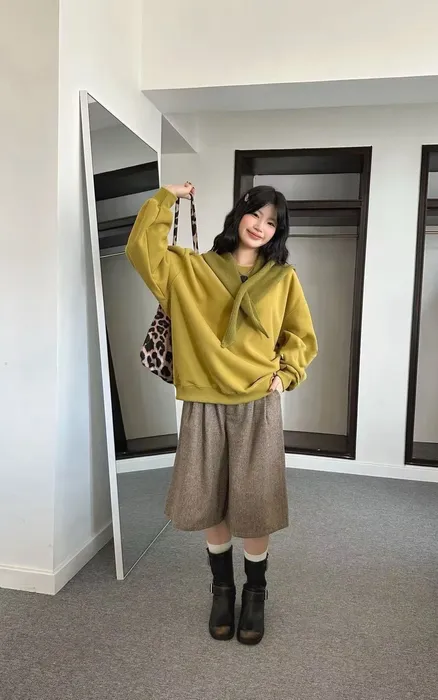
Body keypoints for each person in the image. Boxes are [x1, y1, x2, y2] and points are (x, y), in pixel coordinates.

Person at [126, 181, 317, 645]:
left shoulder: (282, 278)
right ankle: (222, 588)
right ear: (239, 214)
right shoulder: (191, 269)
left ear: (277, 231)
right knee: (208, 496)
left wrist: (286, 375)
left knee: (256, 503)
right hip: (205, 401)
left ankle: (255, 591)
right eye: (256, 214)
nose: (261, 226)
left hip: (257, 400)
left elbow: (300, 336)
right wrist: (166, 197)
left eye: (272, 222)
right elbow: (141, 250)